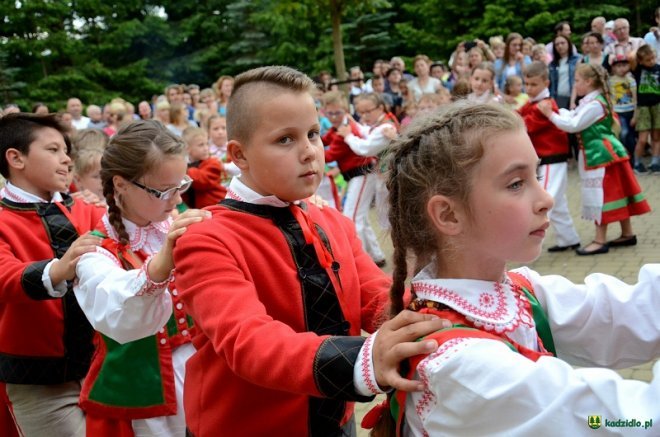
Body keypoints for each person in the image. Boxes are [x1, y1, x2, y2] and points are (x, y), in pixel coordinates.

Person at [172, 66, 450, 436]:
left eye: (313, 134)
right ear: (239, 155)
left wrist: (441, 315)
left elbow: (374, 297)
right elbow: (248, 340)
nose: (309, 152)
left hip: (335, 420)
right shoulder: (206, 237)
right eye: (285, 139)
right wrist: (365, 359)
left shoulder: (329, 219)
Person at [363, 101, 660, 437]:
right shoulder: (459, 366)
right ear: (449, 215)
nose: (546, 197)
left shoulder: (519, 294)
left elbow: (627, 314)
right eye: (516, 183)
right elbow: (631, 420)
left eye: (536, 174)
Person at [72, 120, 209, 436]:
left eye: (181, 186)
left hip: (200, 377)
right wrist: (160, 265)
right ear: (120, 184)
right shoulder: (95, 250)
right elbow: (117, 310)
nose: (176, 200)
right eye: (164, 191)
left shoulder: (172, 222)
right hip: (140, 398)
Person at [0, 113, 105, 436]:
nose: (66, 160)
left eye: (66, 151)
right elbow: (7, 279)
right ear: (15, 158)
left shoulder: (87, 208)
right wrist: (60, 267)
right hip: (38, 381)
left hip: (103, 368)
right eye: (53, 150)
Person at [539, 64, 650, 255]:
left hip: (601, 156)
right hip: (604, 154)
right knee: (616, 194)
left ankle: (600, 240)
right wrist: (557, 111)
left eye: (577, 81)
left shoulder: (595, 104)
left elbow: (573, 124)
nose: (576, 84)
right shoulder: (591, 102)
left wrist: (550, 115)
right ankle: (627, 233)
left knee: (602, 196)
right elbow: (573, 115)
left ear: (589, 82)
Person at [519, 61, 581, 252]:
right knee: (557, 202)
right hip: (548, 160)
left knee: (544, 200)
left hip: (552, 159)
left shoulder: (545, 105)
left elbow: (523, 125)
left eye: (533, 84)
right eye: (526, 84)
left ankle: (524, 243)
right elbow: (518, 116)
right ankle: (568, 239)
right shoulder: (533, 103)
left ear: (546, 83)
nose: (529, 88)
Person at [322, 91, 381, 263]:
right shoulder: (337, 128)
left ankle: (360, 262)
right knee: (360, 217)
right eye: (330, 113)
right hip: (356, 176)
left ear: (346, 111)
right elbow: (325, 139)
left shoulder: (346, 130)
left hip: (361, 175)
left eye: (337, 113)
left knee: (352, 219)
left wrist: (308, 152)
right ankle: (376, 256)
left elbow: (329, 155)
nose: (333, 117)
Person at [630, 44, 660, 174]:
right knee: (642, 138)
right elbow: (630, 56)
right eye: (648, 59)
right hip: (643, 107)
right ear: (641, 60)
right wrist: (641, 51)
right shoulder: (639, 69)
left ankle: (655, 162)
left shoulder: (659, 68)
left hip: (657, 105)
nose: (652, 61)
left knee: (656, 136)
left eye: (653, 58)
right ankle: (637, 162)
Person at [181, 126, 227, 208]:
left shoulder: (213, 163)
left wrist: (183, 171)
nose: (206, 148)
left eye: (207, 144)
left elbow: (201, 181)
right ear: (188, 149)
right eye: (201, 145)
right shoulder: (186, 165)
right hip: (197, 209)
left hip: (217, 206)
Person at [609, 54, 638, 162]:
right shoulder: (610, 81)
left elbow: (635, 98)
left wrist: (635, 115)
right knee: (623, 132)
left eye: (624, 65)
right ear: (613, 68)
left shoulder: (631, 80)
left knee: (631, 136)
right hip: (617, 111)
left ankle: (632, 160)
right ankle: (623, 155)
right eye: (618, 66)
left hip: (630, 110)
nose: (621, 68)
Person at [548, 34, 581, 109]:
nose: (560, 46)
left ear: (568, 44)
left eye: (562, 43)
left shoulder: (577, 60)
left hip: (574, 97)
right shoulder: (552, 64)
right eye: (557, 44)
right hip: (558, 97)